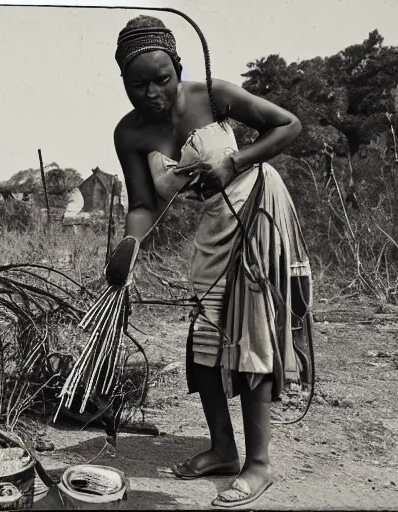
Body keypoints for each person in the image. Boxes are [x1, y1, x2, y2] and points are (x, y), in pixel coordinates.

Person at [105, 14, 313, 509]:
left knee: (250, 330)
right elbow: (142, 204)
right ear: (124, 84)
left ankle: (258, 464)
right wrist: (127, 250)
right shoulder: (129, 134)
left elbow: (289, 125)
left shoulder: (213, 95)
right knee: (205, 335)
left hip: (256, 210)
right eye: (139, 85)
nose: (153, 92)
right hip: (214, 227)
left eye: (163, 78)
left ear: (177, 68)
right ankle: (223, 447)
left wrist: (235, 160)